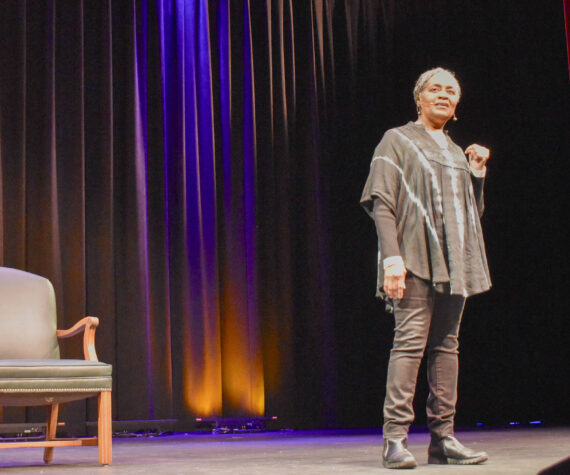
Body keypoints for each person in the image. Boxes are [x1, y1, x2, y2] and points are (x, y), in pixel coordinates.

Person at [360, 67, 492, 469]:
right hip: (414, 256)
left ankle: (444, 440)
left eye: (451, 91)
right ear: (419, 97)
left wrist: (477, 175)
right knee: (410, 343)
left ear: (456, 106)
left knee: (446, 345)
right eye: (435, 89)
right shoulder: (397, 140)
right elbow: (382, 200)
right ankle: (395, 440)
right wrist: (392, 258)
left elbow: (471, 213)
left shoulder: (456, 151)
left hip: (456, 261)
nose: (443, 95)